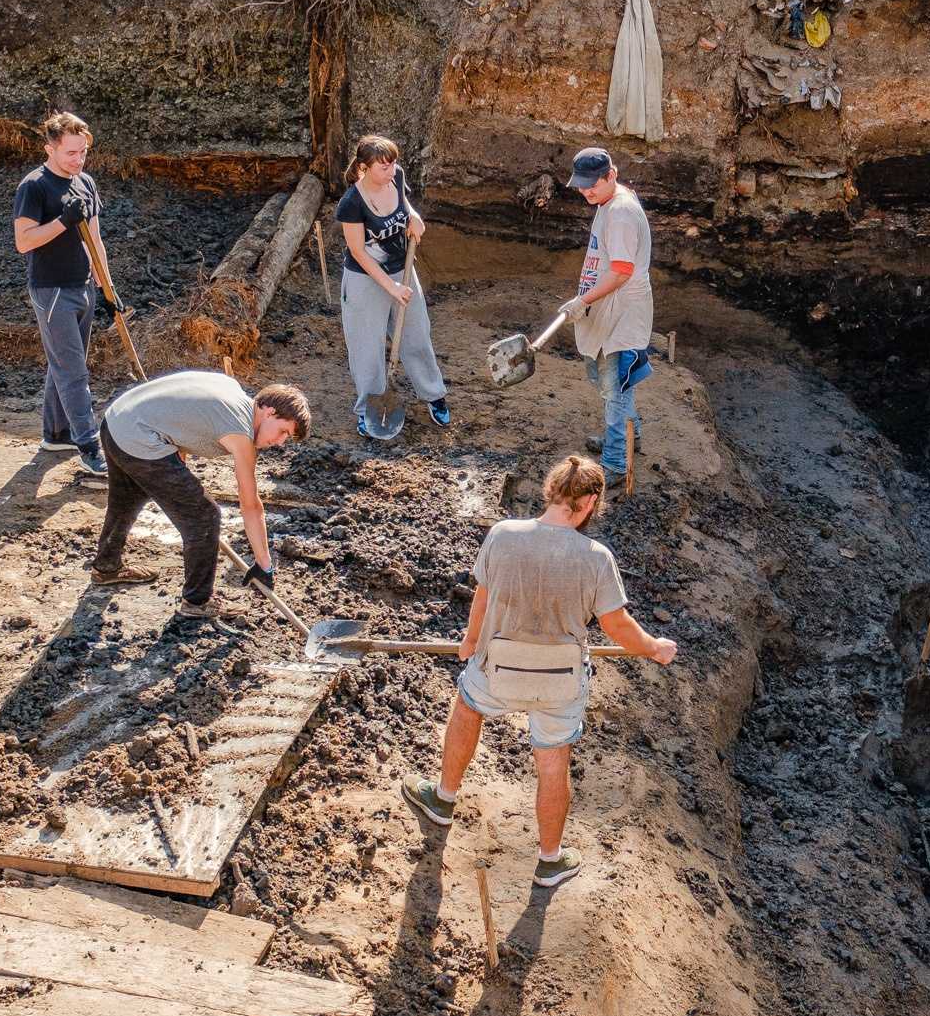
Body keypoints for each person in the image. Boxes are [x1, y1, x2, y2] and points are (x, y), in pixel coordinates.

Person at [400, 455, 676, 887]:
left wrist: (471, 642)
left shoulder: (503, 535)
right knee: (552, 763)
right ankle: (550, 860)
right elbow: (616, 626)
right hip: (559, 683)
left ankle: (443, 798)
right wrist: (653, 647)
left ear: (550, 492)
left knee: (468, 709)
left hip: (497, 668)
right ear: (588, 502)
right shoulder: (596, 557)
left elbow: (482, 598)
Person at [89, 371, 309, 620]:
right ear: (269, 411)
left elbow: (180, 424)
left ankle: (106, 567)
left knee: (128, 496)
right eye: (283, 432)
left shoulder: (231, 388)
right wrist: (264, 565)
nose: (279, 443)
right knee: (204, 516)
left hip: (117, 423)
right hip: (139, 436)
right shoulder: (240, 433)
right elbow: (251, 505)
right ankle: (197, 601)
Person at [12, 111, 117, 476]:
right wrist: (61, 222)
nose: (78, 159)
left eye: (83, 152)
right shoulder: (34, 186)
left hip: (83, 284)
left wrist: (106, 287)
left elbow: (96, 240)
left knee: (66, 362)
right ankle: (89, 445)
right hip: (51, 288)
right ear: (50, 148)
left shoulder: (85, 182)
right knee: (73, 370)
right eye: (71, 153)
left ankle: (56, 434)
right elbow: (23, 242)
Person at [335, 135, 446, 439]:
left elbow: (404, 202)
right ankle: (368, 407)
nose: (391, 171)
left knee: (416, 333)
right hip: (365, 279)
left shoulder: (395, 177)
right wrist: (392, 287)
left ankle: (434, 394)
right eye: (383, 167)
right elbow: (359, 252)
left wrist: (413, 216)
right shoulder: (352, 204)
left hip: (402, 268)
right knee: (366, 347)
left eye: (393, 164)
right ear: (364, 168)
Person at [563, 148, 654, 487]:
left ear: (611, 174)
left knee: (615, 387)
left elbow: (620, 272)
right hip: (607, 306)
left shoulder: (621, 214)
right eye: (582, 185)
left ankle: (616, 462)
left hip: (622, 312)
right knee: (605, 380)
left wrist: (581, 300)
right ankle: (632, 437)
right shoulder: (609, 202)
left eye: (593, 185)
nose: (587, 191)